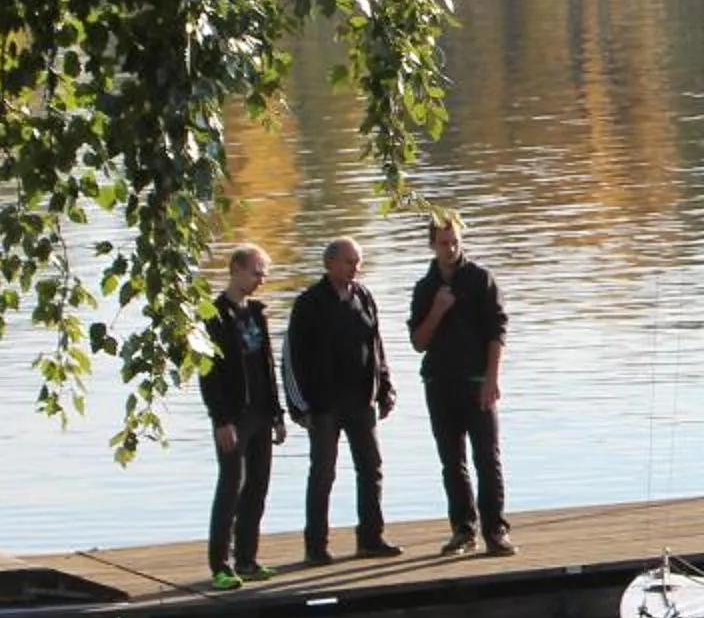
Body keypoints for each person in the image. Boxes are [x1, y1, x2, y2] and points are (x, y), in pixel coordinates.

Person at [284, 235, 401, 563]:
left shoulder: (363, 296)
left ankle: (371, 538)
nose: (355, 268)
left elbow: (376, 345)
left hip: (361, 401)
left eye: (358, 262)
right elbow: (290, 358)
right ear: (330, 264)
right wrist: (298, 406)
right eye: (349, 262)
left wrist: (385, 386)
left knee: (372, 467)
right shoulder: (308, 303)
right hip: (323, 405)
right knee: (323, 472)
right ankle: (316, 546)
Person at [407, 209, 512, 557]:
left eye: (455, 242)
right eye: (443, 244)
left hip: (476, 381)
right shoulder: (425, 288)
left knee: (488, 458)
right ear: (432, 245)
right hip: (439, 383)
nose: (450, 249)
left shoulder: (481, 279)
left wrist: (492, 378)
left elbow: (497, 332)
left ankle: (495, 530)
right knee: (452, 461)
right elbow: (419, 342)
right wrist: (437, 309)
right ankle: (463, 530)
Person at [198, 245, 284, 590]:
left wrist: (277, 414)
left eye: (263, 273)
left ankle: (247, 559)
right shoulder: (214, 316)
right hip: (233, 417)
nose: (261, 280)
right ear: (235, 270)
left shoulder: (257, 313)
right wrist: (220, 420)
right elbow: (208, 374)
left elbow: (267, 367)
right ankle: (220, 564)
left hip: (262, 413)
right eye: (256, 272)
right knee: (231, 487)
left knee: (257, 488)